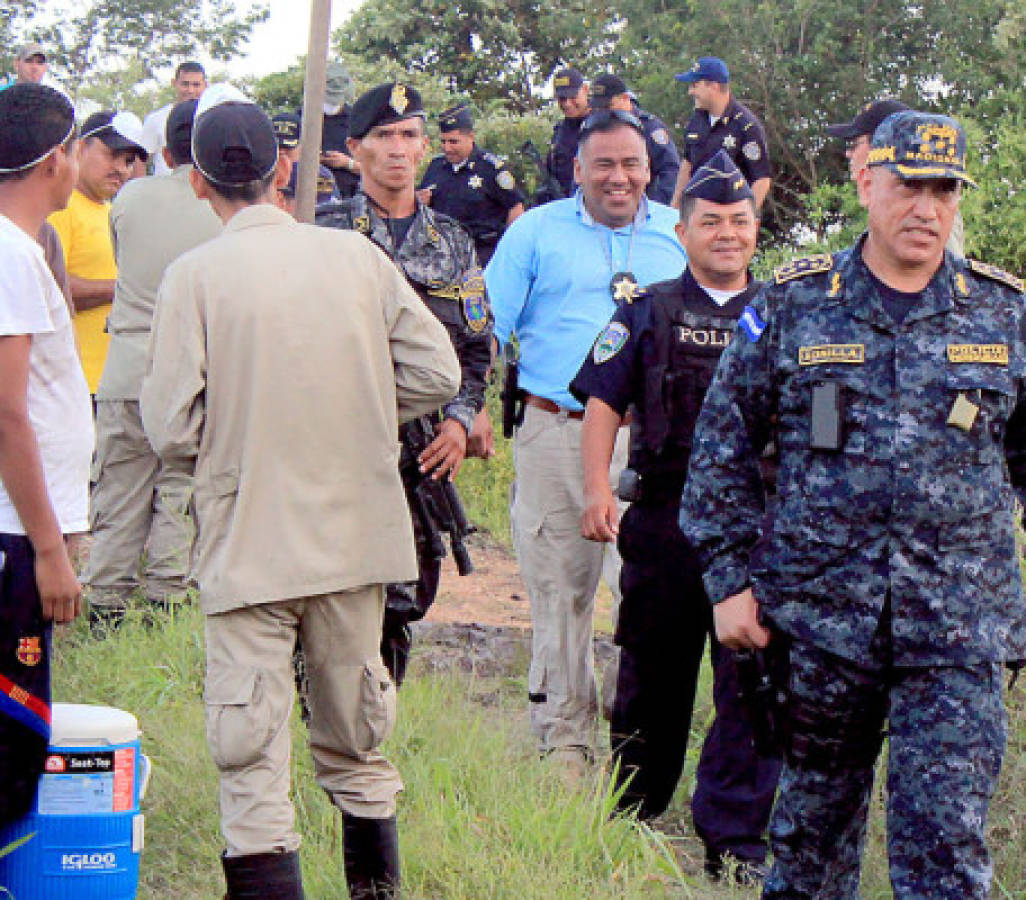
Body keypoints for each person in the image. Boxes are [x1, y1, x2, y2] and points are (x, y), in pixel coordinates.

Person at [679, 110, 1026, 898]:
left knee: (945, 846)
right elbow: (721, 445)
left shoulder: (1001, 313)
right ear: (867, 182)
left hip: (958, 631)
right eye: (908, 185)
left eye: (943, 190)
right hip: (817, 625)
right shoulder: (795, 305)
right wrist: (727, 581)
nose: (925, 208)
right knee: (807, 844)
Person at [140, 97, 460, 899]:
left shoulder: (195, 277)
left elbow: (170, 427)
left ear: (195, 181)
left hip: (249, 541)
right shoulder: (353, 258)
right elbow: (438, 376)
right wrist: (349, 411)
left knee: (250, 750)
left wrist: (252, 425)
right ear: (283, 170)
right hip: (354, 537)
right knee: (356, 735)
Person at [570, 151, 780, 881]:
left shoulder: (785, 316)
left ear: (756, 230)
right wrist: (597, 488)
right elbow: (601, 401)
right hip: (663, 524)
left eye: (739, 221)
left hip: (758, 534)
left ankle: (735, 841)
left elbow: (820, 420)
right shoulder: (646, 309)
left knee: (751, 686)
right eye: (710, 222)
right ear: (683, 232)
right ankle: (632, 815)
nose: (726, 234)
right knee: (651, 678)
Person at [485, 109, 686, 775]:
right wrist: (467, 409)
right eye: (602, 164)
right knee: (559, 590)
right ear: (576, 169)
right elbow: (486, 326)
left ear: (649, 170)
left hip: (652, 446)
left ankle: (638, 748)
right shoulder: (534, 233)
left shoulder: (677, 234)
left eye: (630, 164)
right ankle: (564, 743)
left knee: (648, 598)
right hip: (556, 432)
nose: (617, 177)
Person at [317, 82, 495, 687]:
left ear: (423, 147)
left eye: (409, 135)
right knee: (330, 588)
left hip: (420, 449)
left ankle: (375, 721)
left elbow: (477, 344)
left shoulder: (451, 240)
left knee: (409, 589)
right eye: (384, 136)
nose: (398, 148)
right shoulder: (322, 232)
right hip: (334, 444)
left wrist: (459, 418)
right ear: (355, 148)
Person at [82, 99, 221, 624]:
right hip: (188, 371)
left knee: (118, 492)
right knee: (178, 490)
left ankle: (105, 605)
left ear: (163, 151)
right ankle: (166, 600)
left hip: (126, 365)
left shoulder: (131, 197)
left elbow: (123, 264)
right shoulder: (219, 207)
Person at [0, 84, 91, 826]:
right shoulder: (10, 254)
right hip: (14, 537)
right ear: (55, 159)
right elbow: (8, 415)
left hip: (17, 531)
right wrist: (49, 547)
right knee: (10, 746)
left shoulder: (17, 249)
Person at [47, 110, 147, 394]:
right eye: (112, 155)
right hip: (78, 380)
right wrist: (127, 289)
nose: (121, 168)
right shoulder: (62, 209)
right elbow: (52, 286)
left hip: (114, 381)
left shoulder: (112, 212)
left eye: (128, 161)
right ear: (80, 148)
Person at [828, 97, 966, 257]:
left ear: (881, 144)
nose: (848, 153)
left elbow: (946, 275)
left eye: (854, 144)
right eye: (910, 186)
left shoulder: (936, 218)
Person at [416, 103, 525, 265]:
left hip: (483, 253)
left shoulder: (491, 168)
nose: (447, 148)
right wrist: (418, 202)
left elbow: (515, 208)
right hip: (444, 254)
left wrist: (509, 251)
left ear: (471, 137)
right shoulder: (436, 166)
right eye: (443, 141)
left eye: (454, 142)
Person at [671, 56, 771, 211]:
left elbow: (762, 180)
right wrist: (675, 207)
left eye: (695, 85)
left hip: (729, 216)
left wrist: (745, 219)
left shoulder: (746, 126)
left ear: (713, 86)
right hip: (698, 214)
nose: (690, 92)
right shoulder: (697, 119)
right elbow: (688, 163)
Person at [590, 73, 680, 205]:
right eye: (599, 108)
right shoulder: (594, 127)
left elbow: (670, 170)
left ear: (625, 98)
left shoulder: (650, 127)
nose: (604, 113)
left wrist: (657, 205)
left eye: (608, 107)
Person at [140, 62, 207, 176]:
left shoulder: (210, 119)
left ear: (205, 85)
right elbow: (141, 160)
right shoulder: (156, 119)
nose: (190, 90)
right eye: (185, 84)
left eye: (196, 85)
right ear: (174, 83)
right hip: (164, 189)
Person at [270, 112, 340, 214]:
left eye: (288, 147)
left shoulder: (318, 175)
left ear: (302, 146)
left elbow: (326, 217)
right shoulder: (259, 174)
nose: (281, 151)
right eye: (277, 146)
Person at [315, 61, 360, 199]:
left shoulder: (357, 120)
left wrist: (347, 163)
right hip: (310, 196)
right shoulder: (303, 118)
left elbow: (377, 171)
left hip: (349, 196)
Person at [545, 67, 590, 199]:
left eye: (573, 97)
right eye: (562, 99)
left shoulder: (604, 125)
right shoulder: (559, 133)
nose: (567, 104)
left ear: (585, 90)